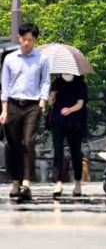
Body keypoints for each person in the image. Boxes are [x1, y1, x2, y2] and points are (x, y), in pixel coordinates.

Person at [0, 23, 50, 201]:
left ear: (35, 40)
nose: (27, 43)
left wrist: (42, 103)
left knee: (28, 142)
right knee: (13, 145)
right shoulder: (10, 59)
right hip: (13, 104)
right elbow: (4, 86)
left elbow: (45, 81)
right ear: (19, 38)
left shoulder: (42, 59)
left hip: (32, 105)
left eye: (31, 40)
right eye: (24, 39)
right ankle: (15, 181)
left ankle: (27, 183)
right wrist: (4, 109)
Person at [49, 74, 88, 197]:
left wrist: (70, 110)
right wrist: (52, 96)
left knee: (76, 152)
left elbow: (80, 104)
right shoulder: (56, 82)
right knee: (57, 152)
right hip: (58, 121)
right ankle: (58, 182)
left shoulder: (81, 84)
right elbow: (50, 102)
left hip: (75, 122)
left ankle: (77, 182)